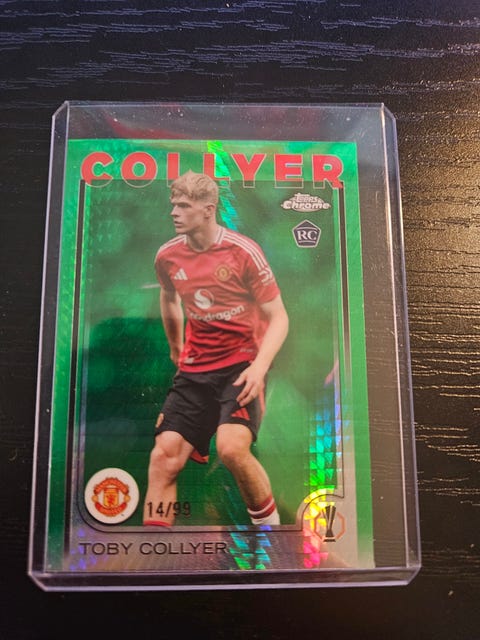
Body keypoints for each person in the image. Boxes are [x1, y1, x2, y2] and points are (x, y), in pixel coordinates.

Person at [143, 170, 289, 528]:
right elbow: (168, 296)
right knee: (163, 457)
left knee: (232, 448)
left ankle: (272, 535)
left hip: (242, 366)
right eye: (173, 205)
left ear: (208, 210)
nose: (174, 212)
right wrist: (176, 347)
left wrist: (259, 368)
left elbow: (279, 317)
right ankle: (153, 549)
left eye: (183, 206)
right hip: (195, 370)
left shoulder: (243, 252)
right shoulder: (167, 256)